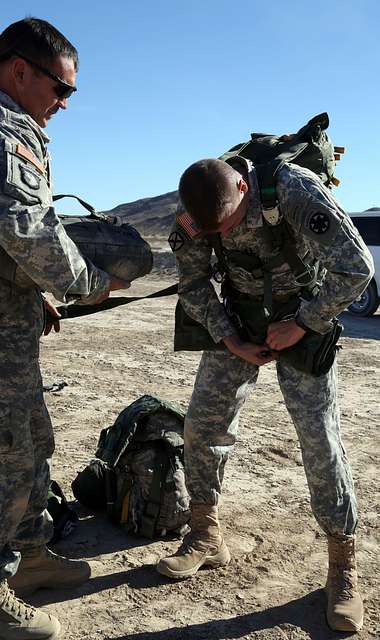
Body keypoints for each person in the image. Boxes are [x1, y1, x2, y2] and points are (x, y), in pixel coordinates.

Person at [157, 156, 374, 634]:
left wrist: (302, 324)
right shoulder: (194, 215)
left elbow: (356, 267)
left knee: (319, 439)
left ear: (243, 185)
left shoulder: (295, 191)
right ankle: (206, 532)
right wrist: (228, 336)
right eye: (218, 231)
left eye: (233, 222)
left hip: (303, 319)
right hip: (240, 321)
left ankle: (342, 565)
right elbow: (192, 284)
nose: (226, 235)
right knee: (203, 423)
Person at [0, 17, 129, 640]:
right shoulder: (5, 131)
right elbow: (28, 231)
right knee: (6, 454)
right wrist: (87, 284)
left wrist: (35, 294)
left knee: (30, 441)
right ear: (18, 70)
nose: (65, 103)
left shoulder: (18, 127)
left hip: (12, 325)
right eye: (61, 88)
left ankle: (30, 557)